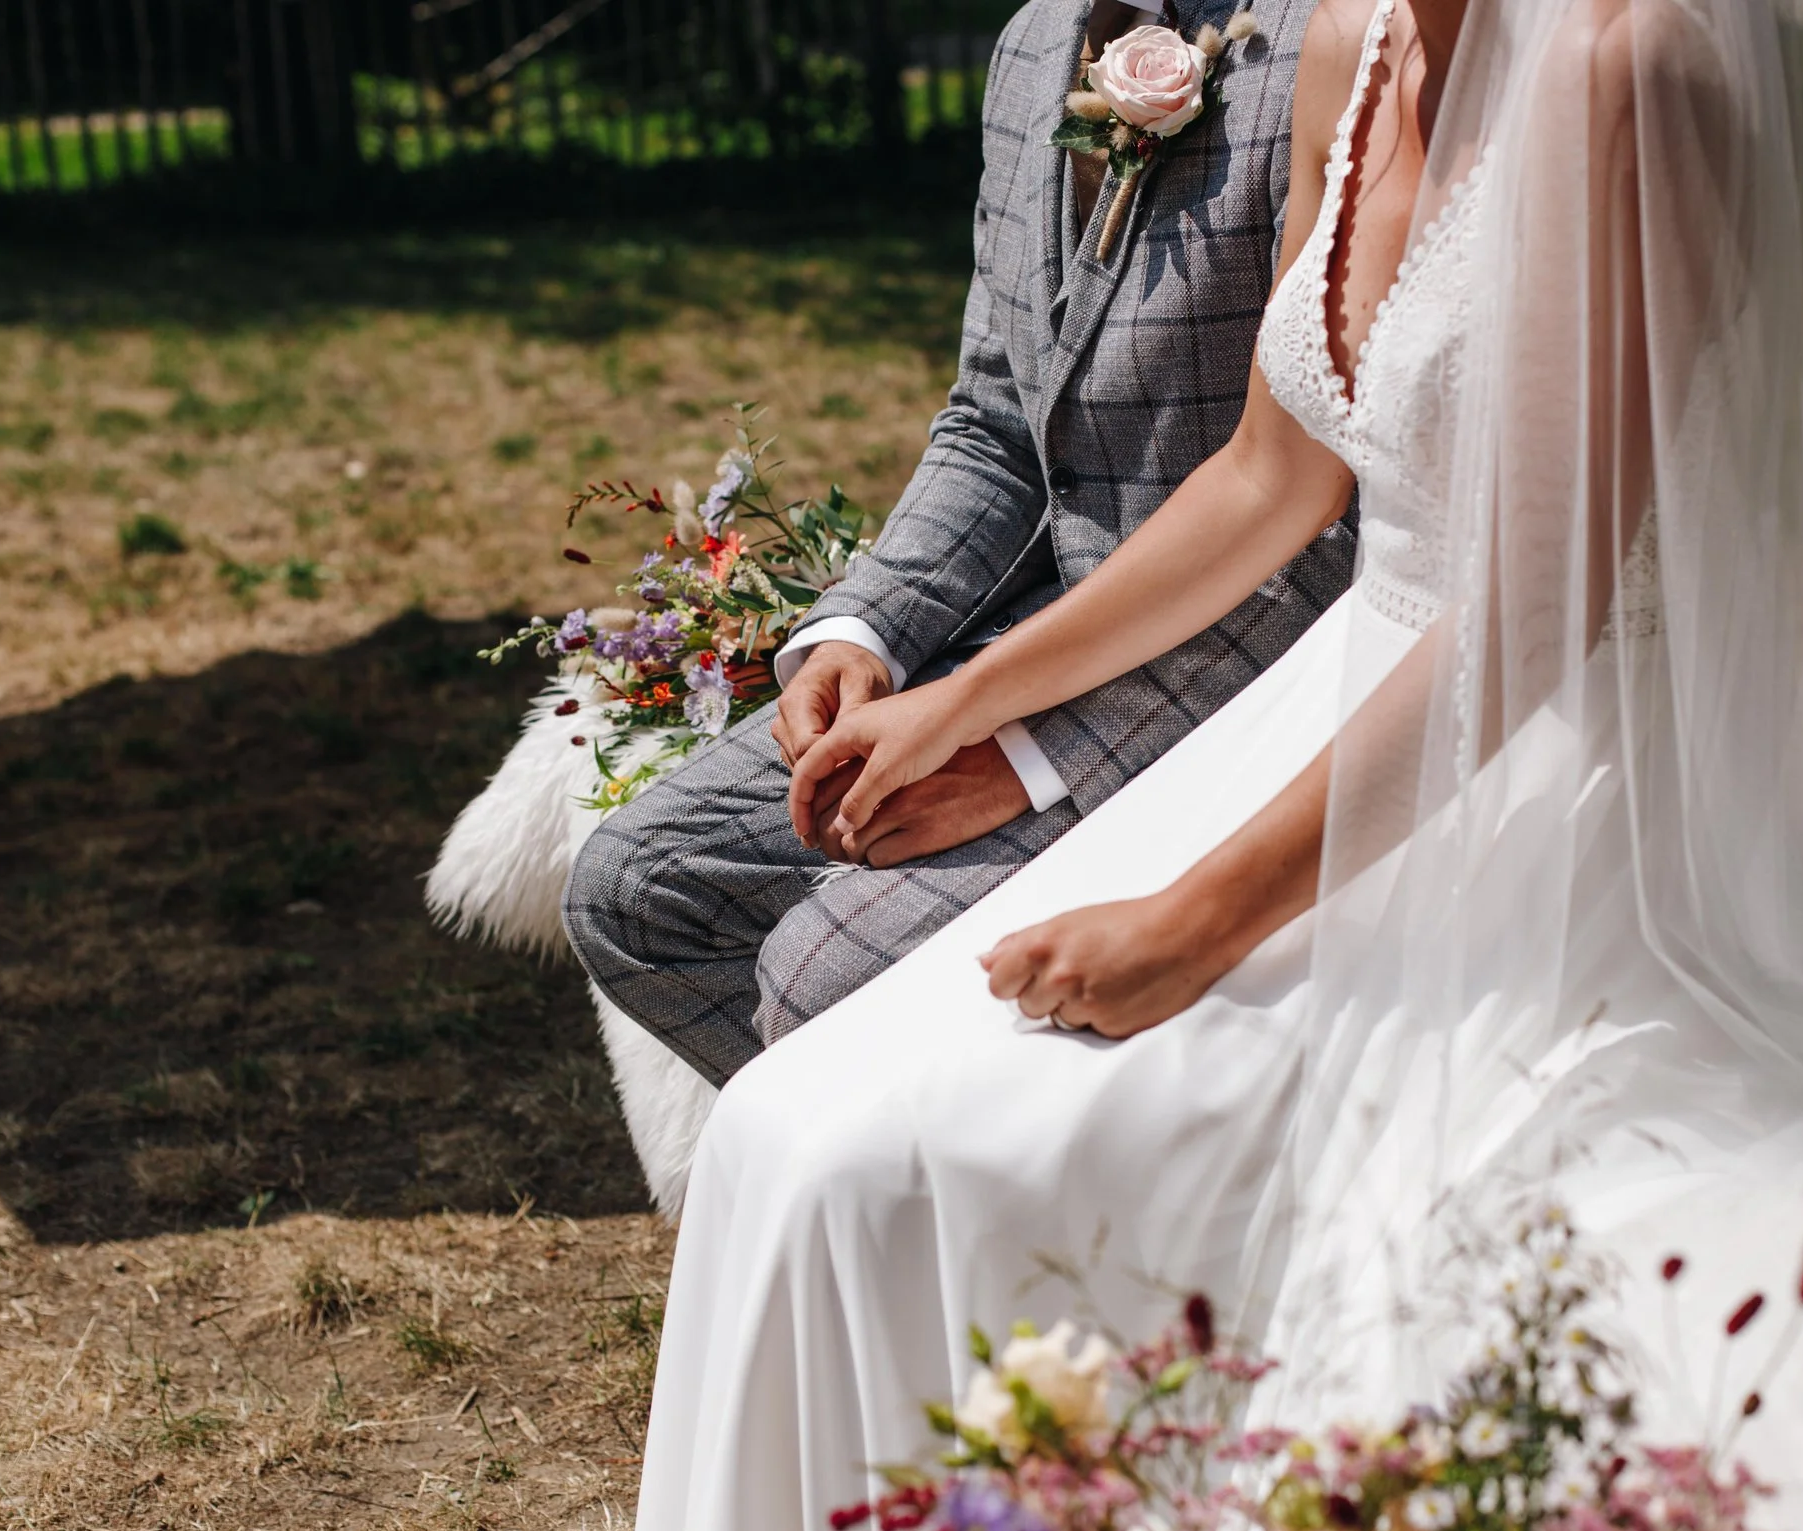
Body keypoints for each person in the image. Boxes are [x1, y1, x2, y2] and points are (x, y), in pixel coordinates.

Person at [621, 0, 1803, 1531]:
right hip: (1331, 713)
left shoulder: (1629, 64)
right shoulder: (1354, 38)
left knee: (890, 1161)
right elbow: (1266, 484)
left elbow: (1539, 602)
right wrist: (968, 698)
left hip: (1556, 791)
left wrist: (1199, 917)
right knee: (793, 1129)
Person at [560, 0, 1356, 1091]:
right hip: (1025, 645)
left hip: (1250, 685)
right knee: (639, 887)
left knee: (824, 975)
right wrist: (864, 631)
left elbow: (1327, 521)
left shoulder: (1337, 49)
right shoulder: (1033, 42)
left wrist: (1032, 754)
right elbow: (996, 420)